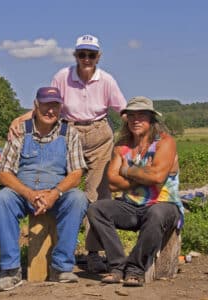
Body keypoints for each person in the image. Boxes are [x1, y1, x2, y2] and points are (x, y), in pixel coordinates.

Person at [8, 34, 127, 273]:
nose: (86, 59)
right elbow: (47, 105)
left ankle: (93, 252)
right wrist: (21, 118)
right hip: (67, 131)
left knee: (97, 196)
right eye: (82, 54)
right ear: (75, 56)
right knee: (61, 187)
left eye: (91, 55)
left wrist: (139, 130)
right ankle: (57, 250)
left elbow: (122, 110)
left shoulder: (107, 80)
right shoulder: (62, 77)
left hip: (98, 134)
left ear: (98, 57)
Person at [0, 87, 88, 292]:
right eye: (46, 104)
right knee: (2, 199)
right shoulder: (20, 130)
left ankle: (61, 267)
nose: (50, 110)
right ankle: (10, 270)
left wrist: (55, 193)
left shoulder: (70, 133)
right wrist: (28, 193)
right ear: (36, 105)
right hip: (23, 194)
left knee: (78, 198)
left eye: (55, 105)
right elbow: (4, 173)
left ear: (60, 108)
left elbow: (76, 173)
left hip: (56, 195)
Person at [87, 96, 184, 287]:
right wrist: (143, 175)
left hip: (164, 205)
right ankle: (116, 266)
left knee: (156, 214)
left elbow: (157, 177)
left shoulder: (165, 142)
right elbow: (113, 184)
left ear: (152, 119)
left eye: (141, 115)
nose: (136, 120)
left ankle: (135, 269)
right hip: (130, 206)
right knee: (97, 209)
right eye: (131, 116)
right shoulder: (122, 145)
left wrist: (126, 171)